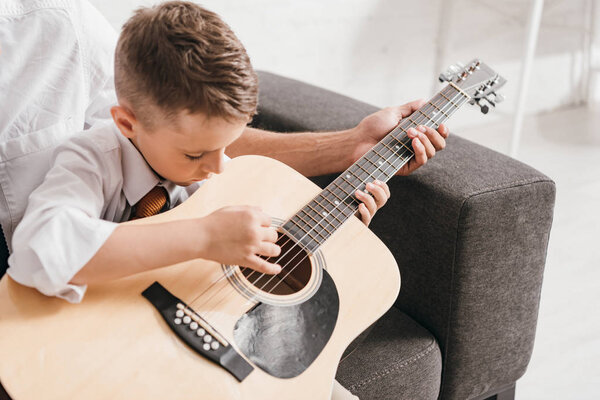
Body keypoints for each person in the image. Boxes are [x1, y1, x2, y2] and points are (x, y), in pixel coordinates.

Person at [2, 1, 448, 399]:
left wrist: (345, 228)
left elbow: (263, 249)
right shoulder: (91, 159)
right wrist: (202, 235)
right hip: (107, 336)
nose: (218, 167)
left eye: (228, 146)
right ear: (127, 122)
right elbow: (39, 249)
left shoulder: (213, 162)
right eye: (196, 153)